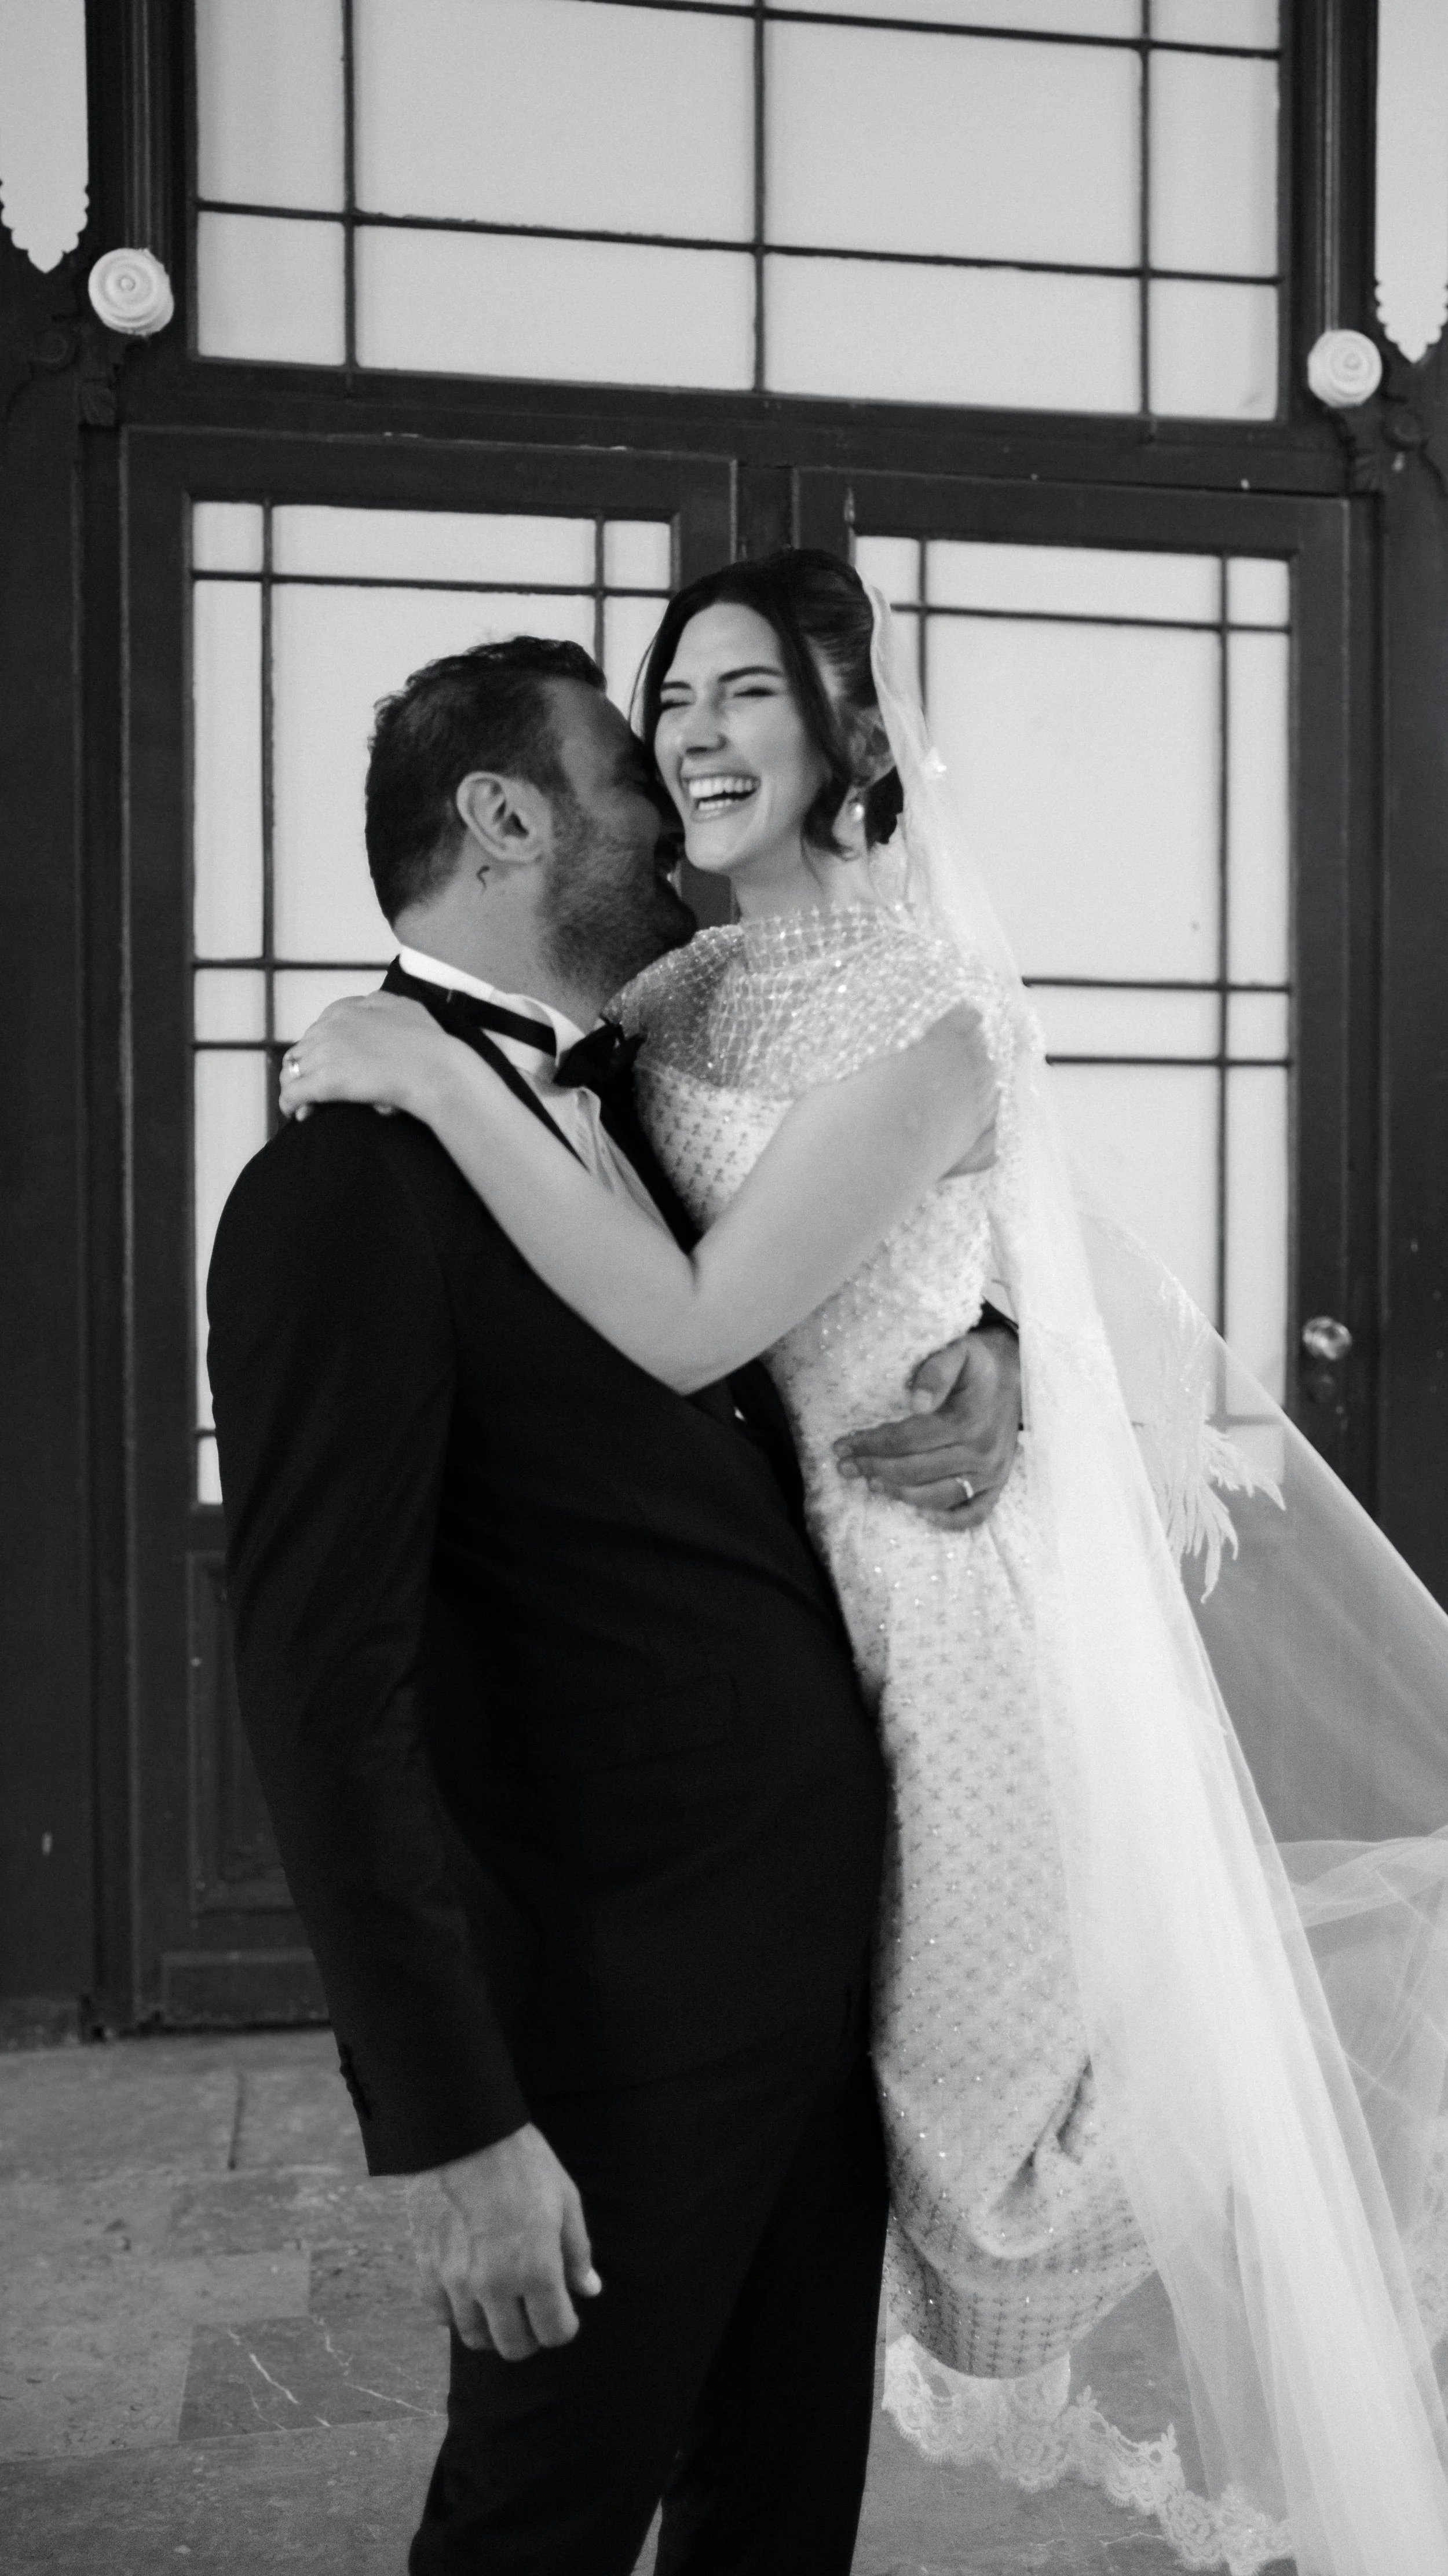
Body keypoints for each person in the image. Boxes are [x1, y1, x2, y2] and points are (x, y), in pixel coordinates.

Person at [284, 551, 1448, 2575]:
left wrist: (1008, 1357)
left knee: (977, 2158)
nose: (696, 741)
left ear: (846, 730)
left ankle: (1314, 2176)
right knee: (663, 2364)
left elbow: (714, 1315)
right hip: (709, 1760)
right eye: (669, 705)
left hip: (923, 1615)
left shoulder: (921, 1007)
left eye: (745, 694)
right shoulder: (653, 1007)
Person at [206, 629, 1024, 2576]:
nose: (675, 810)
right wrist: (449, 2125)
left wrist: (985, 1338)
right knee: (541, 2523)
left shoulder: (643, 1102)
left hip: (809, 1978)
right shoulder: (348, 1191)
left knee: (773, 2514)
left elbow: (842, 1270)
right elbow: (324, 1691)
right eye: (626, 769)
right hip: (605, 2020)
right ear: (504, 816)